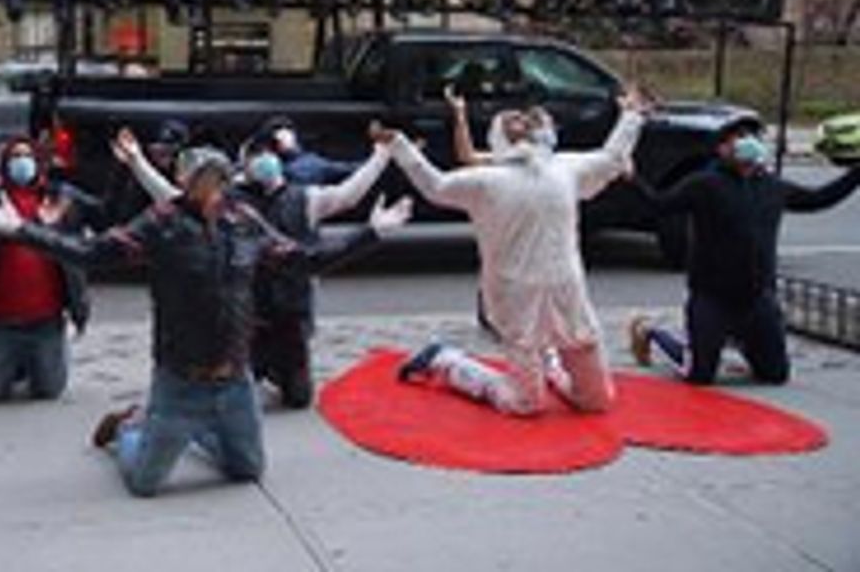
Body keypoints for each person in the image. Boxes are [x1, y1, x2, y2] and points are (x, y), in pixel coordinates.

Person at [0, 146, 412, 497]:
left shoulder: (244, 221)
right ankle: (131, 427)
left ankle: (195, 433)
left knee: (248, 470)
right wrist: (20, 231)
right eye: (201, 177)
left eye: (218, 176)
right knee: (144, 484)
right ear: (184, 182)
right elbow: (93, 253)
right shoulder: (161, 224)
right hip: (180, 379)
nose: (211, 186)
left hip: (235, 381)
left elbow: (304, 260)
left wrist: (371, 233)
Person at [393, 90, 650, 416]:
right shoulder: (487, 180)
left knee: (597, 401)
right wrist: (401, 147)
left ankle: (552, 366)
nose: (520, 122)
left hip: (567, 294)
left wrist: (632, 116)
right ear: (499, 136)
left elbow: (611, 158)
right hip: (517, 295)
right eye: (511, 120)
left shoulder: (564, 169)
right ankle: (446, 361)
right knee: (526, 404)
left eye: (524, 119)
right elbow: (437, 187)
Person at [117, 123, 399, 408]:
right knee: (236, 394)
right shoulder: (230, 205)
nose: (264, 159)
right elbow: (171, 196)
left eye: (269, 153)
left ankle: (278, 374)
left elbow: (347, 196)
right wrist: (137, 162)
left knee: (298, 397)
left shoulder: (302, 199)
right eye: (256, 154)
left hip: (291, 312)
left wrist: (382, 158)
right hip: (247, 316)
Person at [628, 120, 860, 385]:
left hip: (758, 298)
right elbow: (659, 204)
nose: (747, 142)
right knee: (699, 375)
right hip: (712, 297)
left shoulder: (773, 187)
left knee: (775, 374)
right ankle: (652, 332)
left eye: (753, 136)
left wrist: (855, 174)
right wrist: (632, 179)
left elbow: (819, 198)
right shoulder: (704, 184)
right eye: (738, 137)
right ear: (722, 149)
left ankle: (743, 343)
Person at [0, 137, 98, 402]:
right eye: (15, 157)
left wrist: (129, 166)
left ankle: (37, 359)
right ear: (5, 164)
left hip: (46, 321)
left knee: (48, 391)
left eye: (27, 156)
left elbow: (109, 212)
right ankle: (14, 361)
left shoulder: (62, 199)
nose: (22, 162)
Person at [102, 118, 189, 225]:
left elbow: (179, 203)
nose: (167, 160)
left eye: (172, 153)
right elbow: (110, 211)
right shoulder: (129, 168)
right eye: (161, 153)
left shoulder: (185, 169)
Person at [257, 115, 358, 186]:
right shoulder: (268, 165)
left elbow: (344, 168)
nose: (281, 140)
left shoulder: (311, 163)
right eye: (277, 139)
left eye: (284, 135)